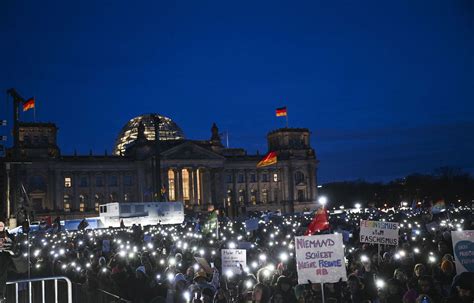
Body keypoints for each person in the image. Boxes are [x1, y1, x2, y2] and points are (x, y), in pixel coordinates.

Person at [0, 221, 14, 303]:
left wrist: (11, 248)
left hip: (5, 262)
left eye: (1, 224)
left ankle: (1, 296)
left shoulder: (8, 236)